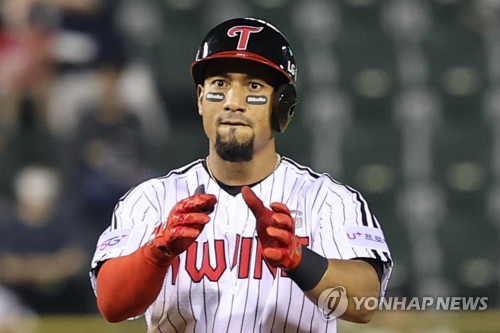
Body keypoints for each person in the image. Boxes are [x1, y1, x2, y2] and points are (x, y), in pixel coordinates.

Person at [90, 17, 393, 332]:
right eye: (220, 84)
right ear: (200, 99)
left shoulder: (328, 201)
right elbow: (113, 305)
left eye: (254, 86)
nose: (234, 103)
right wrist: (157, 251)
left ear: (282, 104)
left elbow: (364, 303)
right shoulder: (151, 199)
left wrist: (299, 259)